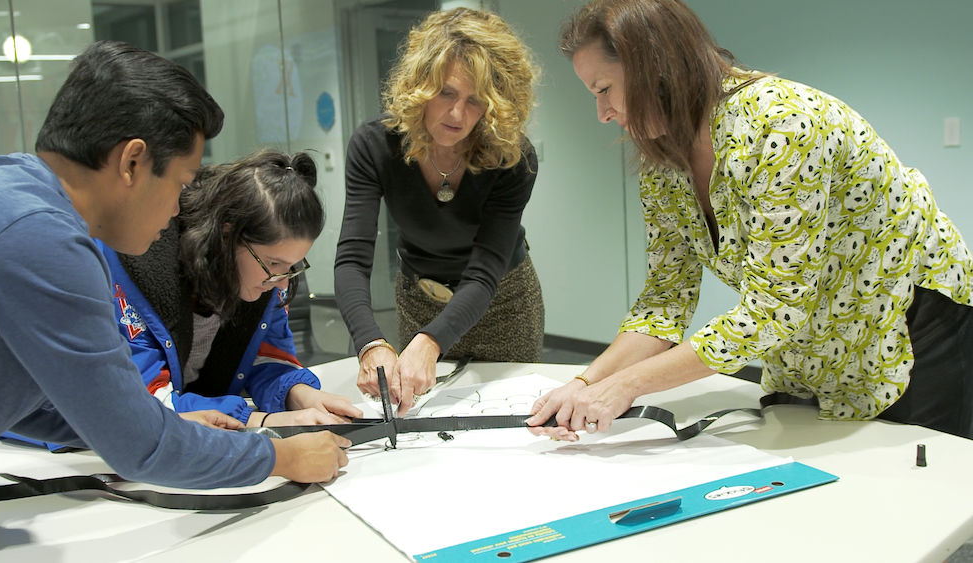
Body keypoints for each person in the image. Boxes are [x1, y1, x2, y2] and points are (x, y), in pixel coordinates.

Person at [528, 0, 973, 440]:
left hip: (909, 323)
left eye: (603, 89)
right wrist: (586, 384)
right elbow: (664, 300)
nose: (602, 114)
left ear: (655, 65)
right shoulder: (662, 162)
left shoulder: (783, 125)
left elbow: (776, 306)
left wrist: (626, 385)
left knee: (915, 488)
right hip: (809, 339)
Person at [0, 40, 349, 489]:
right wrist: (278, 454)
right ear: (132, 162)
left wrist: (171, 428)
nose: (176, 210)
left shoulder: (8, 191)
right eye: (181, 183)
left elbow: (51, 404)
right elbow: (141, 448)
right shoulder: (43, 240)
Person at [335, 7, 544, 415]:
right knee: (422, 420)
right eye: (446, 92)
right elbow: (352, 259)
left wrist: (431, 342)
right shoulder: (375, 146)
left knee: (508, 419)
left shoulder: (513, 158)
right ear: (420, 85)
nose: (457, 115)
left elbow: (485, 272)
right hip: (421, 298)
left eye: (476, 101)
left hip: (503, 303)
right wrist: (370, 342)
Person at [102, 148, 363, 428]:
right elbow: (144, 401)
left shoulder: (266, 281)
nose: (283, 282)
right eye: (274, 263)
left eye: (292, 266)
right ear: (227, 236)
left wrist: (301, 395)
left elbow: (266, 357)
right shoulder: (141, 266)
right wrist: (262, 421)